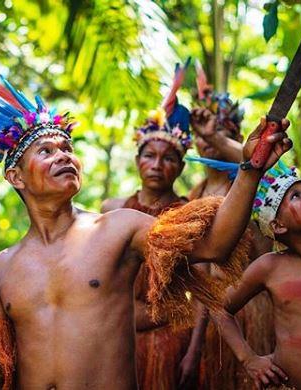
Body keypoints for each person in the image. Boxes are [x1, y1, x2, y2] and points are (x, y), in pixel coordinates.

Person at [0, 66, 291, 389]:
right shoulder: (3, 267)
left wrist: (250, 168)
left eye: (67, 148)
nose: (63, 155)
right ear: (15, 176)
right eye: (46, 150)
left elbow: (214, 245)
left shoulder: (117, 228)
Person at [101, 62, 205, 390]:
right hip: (123, 335)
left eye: (169, 158)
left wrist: (194, 350)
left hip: (172, 334)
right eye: (149, 155)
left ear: (181, 167)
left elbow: (203, 287)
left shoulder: (189, 213)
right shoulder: (113, 209)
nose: (158, 165)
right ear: (136, 161)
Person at [211, 162, 301, 390]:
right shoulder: (269, 267)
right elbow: (219, 308)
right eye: (296, 196)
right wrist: (249, 359)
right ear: (277, 225)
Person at [190, 62, 276, 390]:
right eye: (203, 135)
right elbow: (199, 276)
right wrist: (195, 342)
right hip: (213, 314)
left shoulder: (255, 184)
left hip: (252, 307)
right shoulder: (194, 195)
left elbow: (259, 164)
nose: (209, 139)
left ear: (237, 137)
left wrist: (216, 135)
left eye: (223, 130)